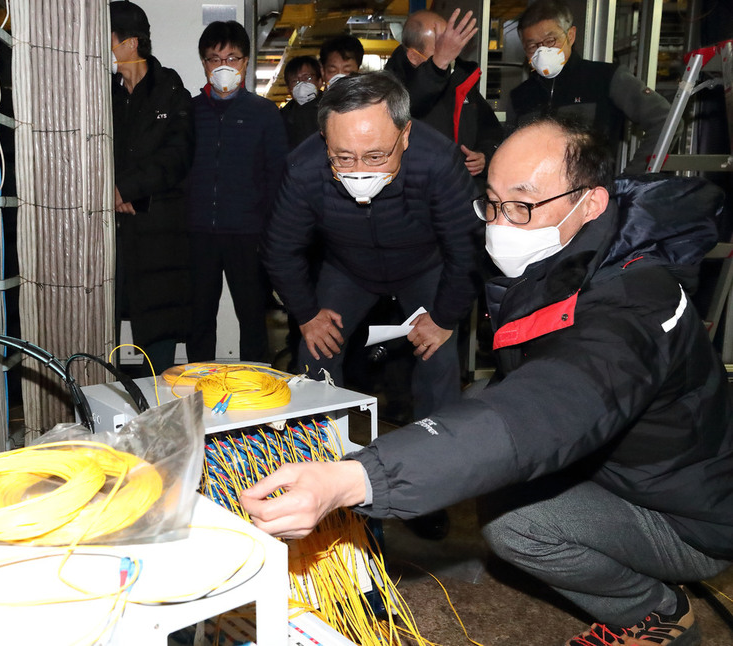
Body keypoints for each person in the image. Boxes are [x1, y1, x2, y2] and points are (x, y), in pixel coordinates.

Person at [243, 115, 732, 646]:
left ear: (589, 203)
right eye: (492, 204)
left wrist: (353, 478)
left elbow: (545, 408)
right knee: (478, 407)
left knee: (514, 523)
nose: (500, 224)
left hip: (688, 516)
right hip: (631, 466)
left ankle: (658, 612)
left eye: (520, 205)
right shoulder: (575, 255)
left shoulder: (633, 305)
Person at [263, 71, 479, 419]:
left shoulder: (438, 161)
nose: (360, 171)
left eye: (376, 156)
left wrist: (443, 318)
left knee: (437, 351)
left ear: (405, 134)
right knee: (317, 347)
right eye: (343, 158)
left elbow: (467, 247)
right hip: (347, 266)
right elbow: (280, 247)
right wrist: (305, 313)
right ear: (325, 140)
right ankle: (321, 445)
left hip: (424, 265)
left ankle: (441, 452)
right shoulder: (304, 167)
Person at [186, 21, 288, 363]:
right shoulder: (189, 112)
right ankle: (197, 387)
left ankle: (257, 384)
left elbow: (277, 178)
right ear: (204, 63)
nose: (223, 66)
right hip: (198, 232)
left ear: (245, 62)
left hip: (248, 232)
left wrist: (271, 231)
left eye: (232, 57)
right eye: (214, 59)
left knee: (252, 317)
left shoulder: (264, 114)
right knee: (198, 317)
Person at [110, 1, 195, 374]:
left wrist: (126, 190)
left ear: (130, 43)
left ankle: (159, 407)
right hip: (109, 230)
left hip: (158, 231)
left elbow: (176, 158)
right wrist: (110, 194)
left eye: (106, 39)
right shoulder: (102, 92)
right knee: (102, 316)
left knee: (157, 323)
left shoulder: (170, 91)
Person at [508, 0, 672, 174]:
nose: (542, 51)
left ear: (570, 36)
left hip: (593, 195)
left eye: (550, 40)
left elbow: (665, 120)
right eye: (532, 46)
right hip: (535, 198)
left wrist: (631, 179)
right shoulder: (521, 95)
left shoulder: (604, 78)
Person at [384, 8, 503, 188]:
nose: (450, 51)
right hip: (416, 194)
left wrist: (484, 156)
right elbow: (410, 103)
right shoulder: (390, 87)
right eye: (441, 47)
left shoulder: (461, 79)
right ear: (414, 57)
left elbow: (490, 130)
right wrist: (437, 66)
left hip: (463, 193)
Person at [280, 55, 322, 151]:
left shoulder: (332, 109)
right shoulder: (282, 117)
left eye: (308, 78)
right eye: (295, 81)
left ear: (320, 81)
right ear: (289, 89)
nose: (302, 84)